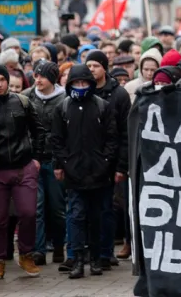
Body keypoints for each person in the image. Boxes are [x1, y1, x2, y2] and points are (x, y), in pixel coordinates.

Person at [0, 64, 45, 280]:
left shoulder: (22, 102)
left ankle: (26, 254)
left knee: (29, 213)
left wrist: (37, 159)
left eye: (2, 80)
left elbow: (38, 130)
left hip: (23, 168)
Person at [51, 64, 118, 279]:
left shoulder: (102, 107)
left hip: (98, 172)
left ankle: (96, 258)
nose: (81, 87)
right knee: (77, 215)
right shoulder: (63, 108)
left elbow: (111, 138)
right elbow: (57, 140)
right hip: (74, 172)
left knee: (96, 216)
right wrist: (62, 163)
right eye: (77, 83)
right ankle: (78, 259)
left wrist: (105, 162)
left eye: (84, 83)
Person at [85, 50, 132, 270]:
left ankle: (105, 253)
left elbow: (125, 133)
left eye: (95, 65)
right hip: (86, 161)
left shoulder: (119, 95)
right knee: (84, 209)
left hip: (111, 161)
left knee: (107, 208)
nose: (91, 69)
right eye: (89, 65)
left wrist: (122, 165)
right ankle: (88, 251)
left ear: (104, 67)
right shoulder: (80, 91)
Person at [22, 61, 67, 266]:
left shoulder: (64, 98)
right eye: (36, 75)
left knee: (57, 207)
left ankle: (58, 245)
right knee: (36, 207)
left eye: (43, 76)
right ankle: (38, 249)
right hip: (32, 159)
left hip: (55, 160)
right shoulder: (26, 97)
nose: (38, 79)